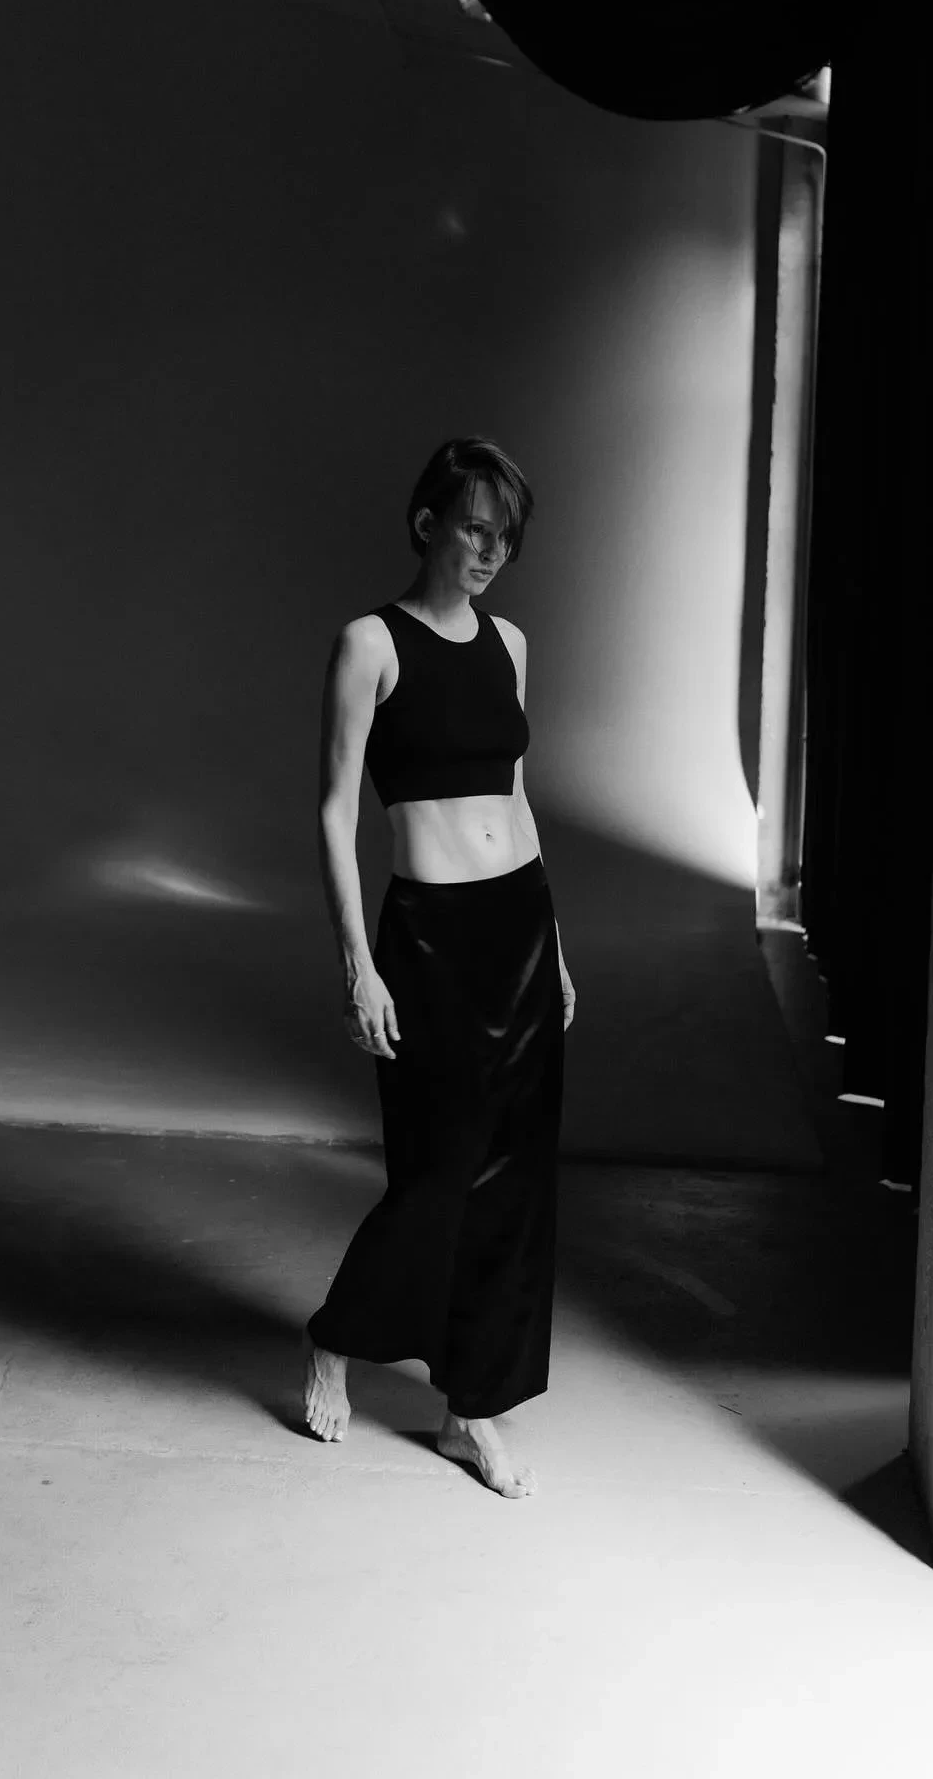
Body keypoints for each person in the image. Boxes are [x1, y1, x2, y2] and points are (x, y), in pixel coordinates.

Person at [303, 436, 575, 1499]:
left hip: (520, 927)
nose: (491, 552)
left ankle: (472, 1409)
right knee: (437, 1173)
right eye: (474, 528)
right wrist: (359, 967)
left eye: (505, 537)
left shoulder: (510, 643)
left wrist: (556, 949)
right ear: (428, 523)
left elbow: (516, 799)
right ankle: (338, 1334)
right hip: (429, 939)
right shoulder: (370, 644)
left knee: (515, 1183)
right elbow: (334, 812)